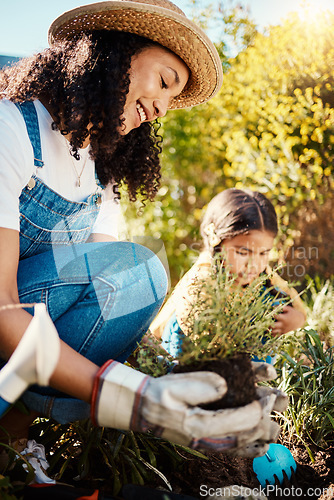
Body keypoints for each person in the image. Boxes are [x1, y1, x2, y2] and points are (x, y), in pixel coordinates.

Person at [0, 0, 285, 483]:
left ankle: (12, 435)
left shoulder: (101, 175)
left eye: (171, 102)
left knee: (137, 278)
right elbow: (4, 308)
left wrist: (177, 386)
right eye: (165, 82)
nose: (160, 109)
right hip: (7, 320)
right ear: (115, 53)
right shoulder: (12, 128)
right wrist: (133, 398)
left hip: (24, 352)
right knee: (140, 267)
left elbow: (100, 300)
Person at [151, 188, 307, 357]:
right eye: (242, 252)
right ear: (217, 244)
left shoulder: (262, 274)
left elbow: (300, 309)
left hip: (243, 361)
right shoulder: (200, 281)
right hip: (193, 362)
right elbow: (208, 341)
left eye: (263, 253)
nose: (253, 265)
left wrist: (295, 320)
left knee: (271, 297)